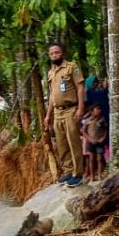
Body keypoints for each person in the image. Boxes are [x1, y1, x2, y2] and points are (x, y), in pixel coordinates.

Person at [43, 42, 85, 187]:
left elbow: (80, 88)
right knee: (61, 143)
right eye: (52, 53)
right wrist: (48, 115)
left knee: (74, 142)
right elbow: (52, 96)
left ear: (63, 54)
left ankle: (78, 174)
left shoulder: (72, 67)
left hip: (71, 109)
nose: (55, 55)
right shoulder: (51, 73)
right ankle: (68, 171)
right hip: (57, 111)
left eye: (57, 52)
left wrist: (80, 108)